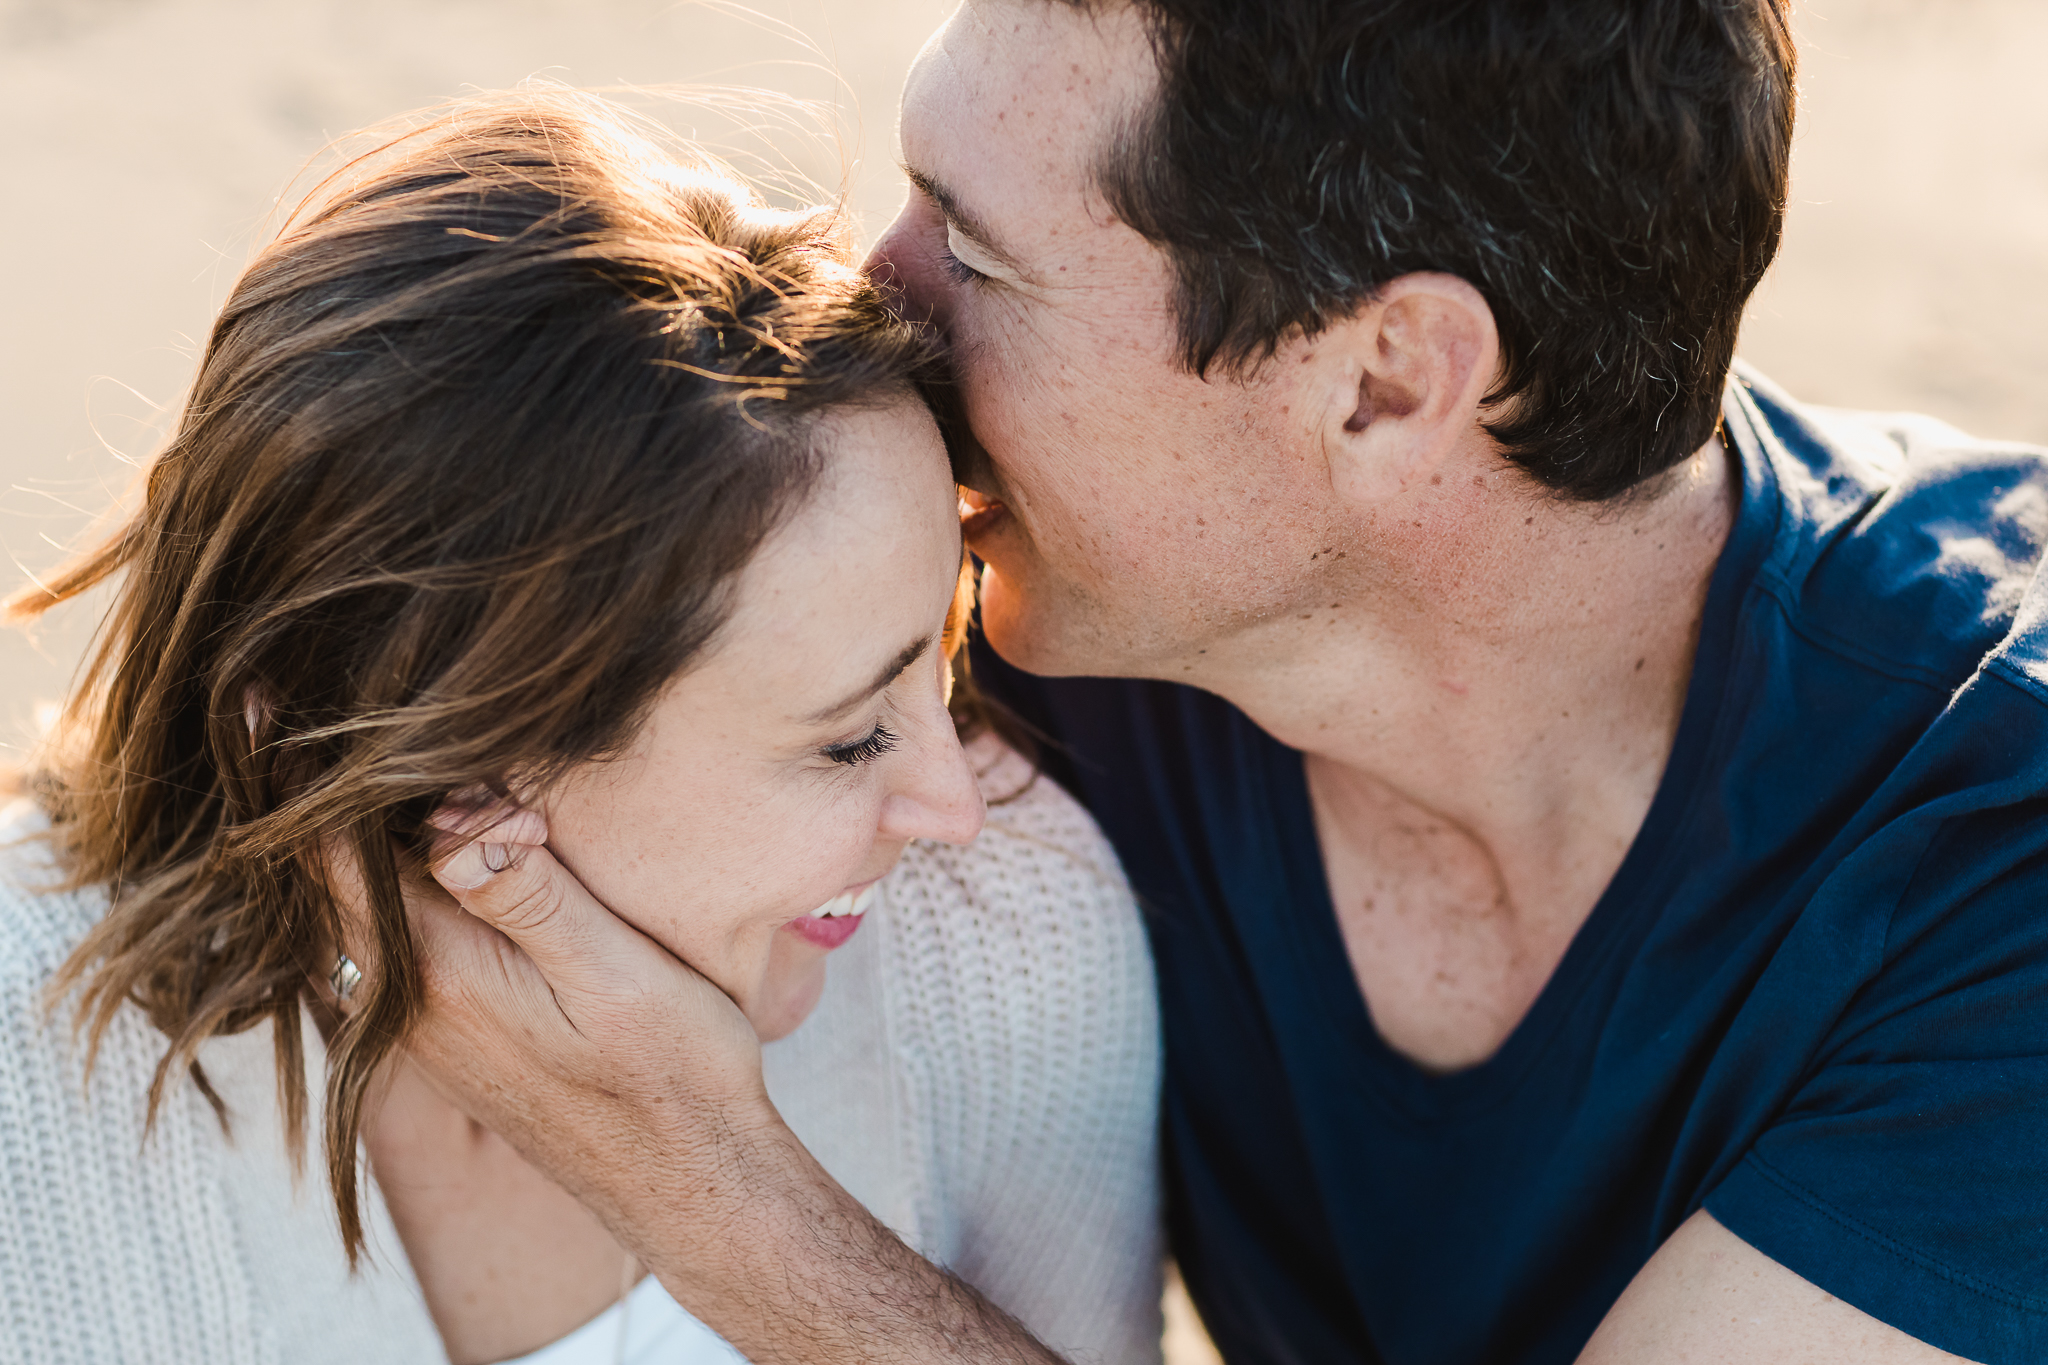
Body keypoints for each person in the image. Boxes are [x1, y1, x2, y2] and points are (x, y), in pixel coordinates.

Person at [393, 2, 2048, 1364]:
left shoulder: (1998, 856)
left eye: (971, 250)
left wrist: (707, 1190)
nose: (863, 293)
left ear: (1383, 380)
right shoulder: (1061, 642)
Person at [0, 90, 1165, 1365]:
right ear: (426, 748)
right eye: (844, 739)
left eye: (937, 655)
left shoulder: (1002, 927)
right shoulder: (27, 1069)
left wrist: (707, 1193)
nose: (953, 806)